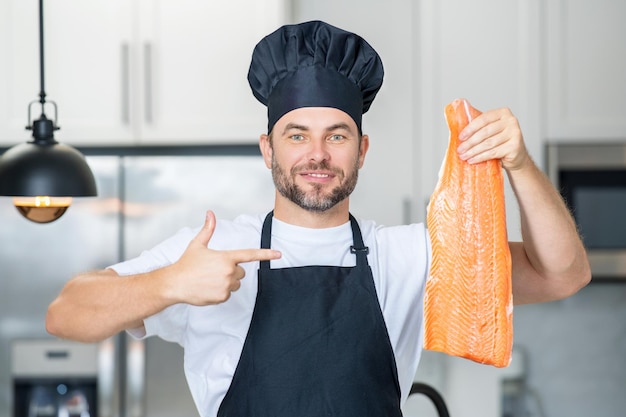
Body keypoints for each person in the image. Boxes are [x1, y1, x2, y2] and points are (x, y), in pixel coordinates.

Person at [46, 20, 591, 417]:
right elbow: (66, 313)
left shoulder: (408, 256)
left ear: (362, 147)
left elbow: (561, 274)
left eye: (337, 135)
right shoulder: (211, 251)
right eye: (297, 135)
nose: (318, 156)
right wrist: (170, 283)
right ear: (268, 148)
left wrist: (519, 165)